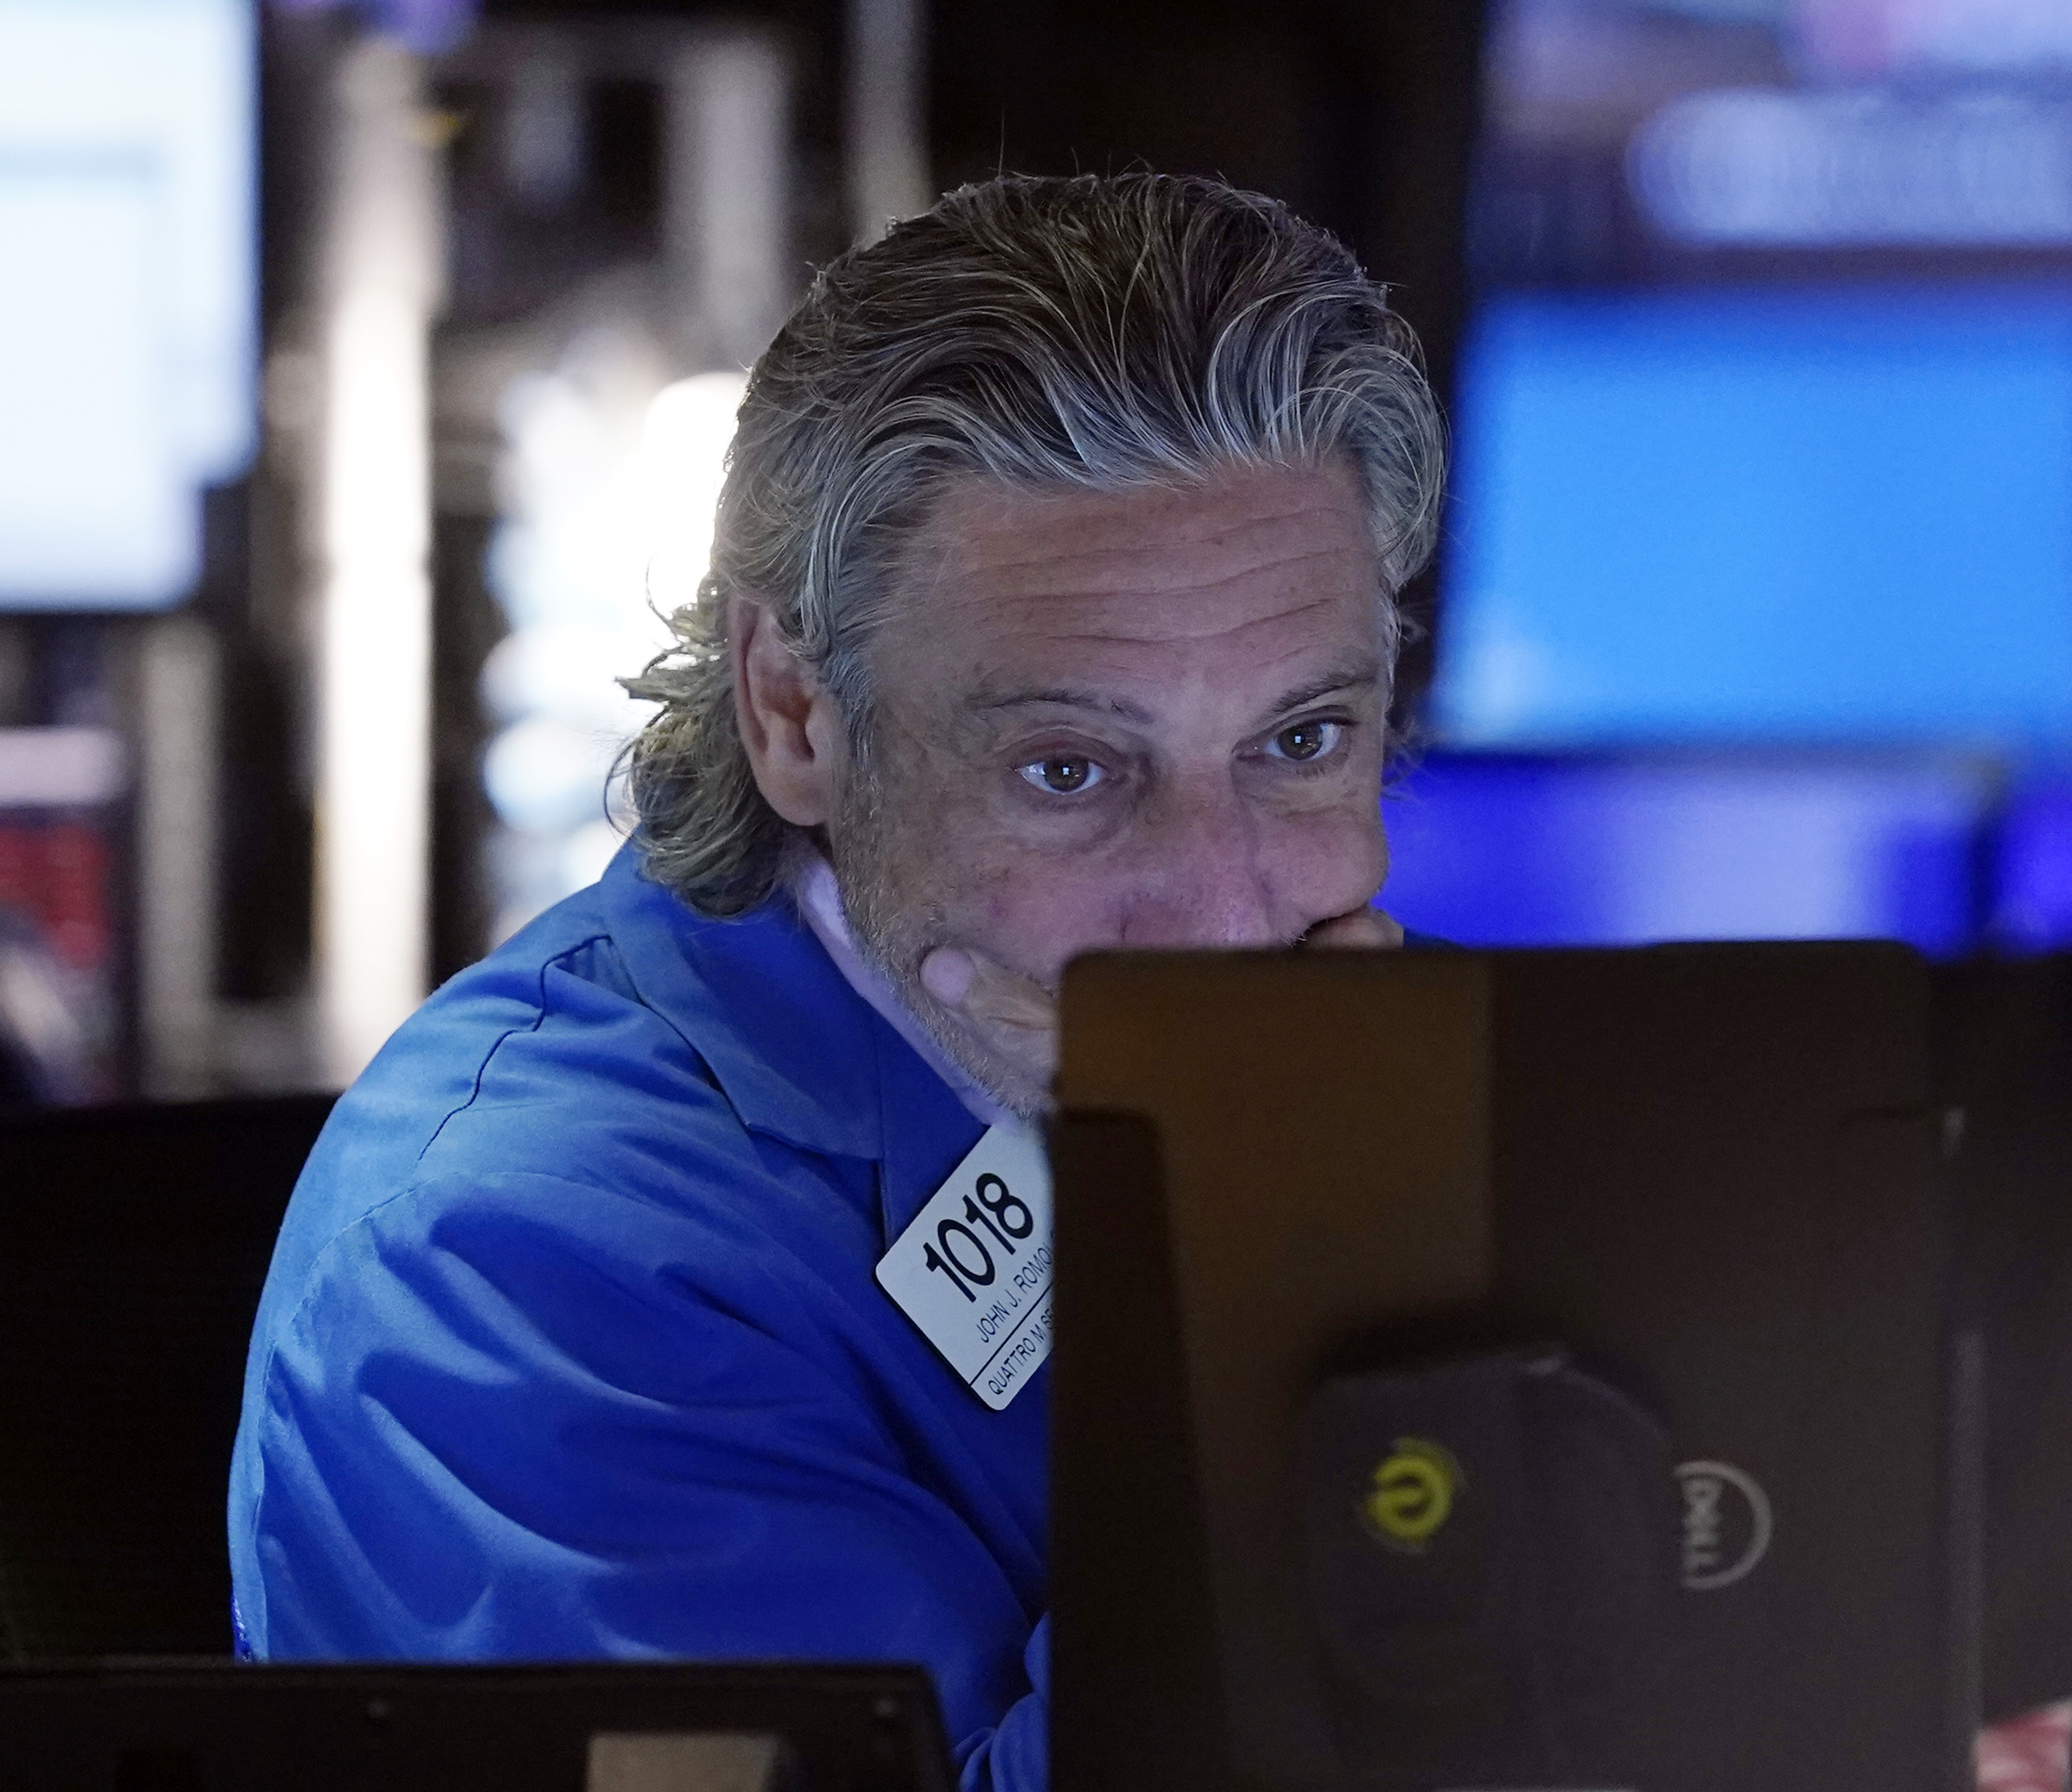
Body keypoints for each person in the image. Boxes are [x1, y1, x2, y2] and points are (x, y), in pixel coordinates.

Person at [225, 172, 1441, 1792]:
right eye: (1072, 770)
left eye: (1300, 742)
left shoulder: (1261, 1082)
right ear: (797, 714)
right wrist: (1300, 1311)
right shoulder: (515, 1265)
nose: (1224, 915)